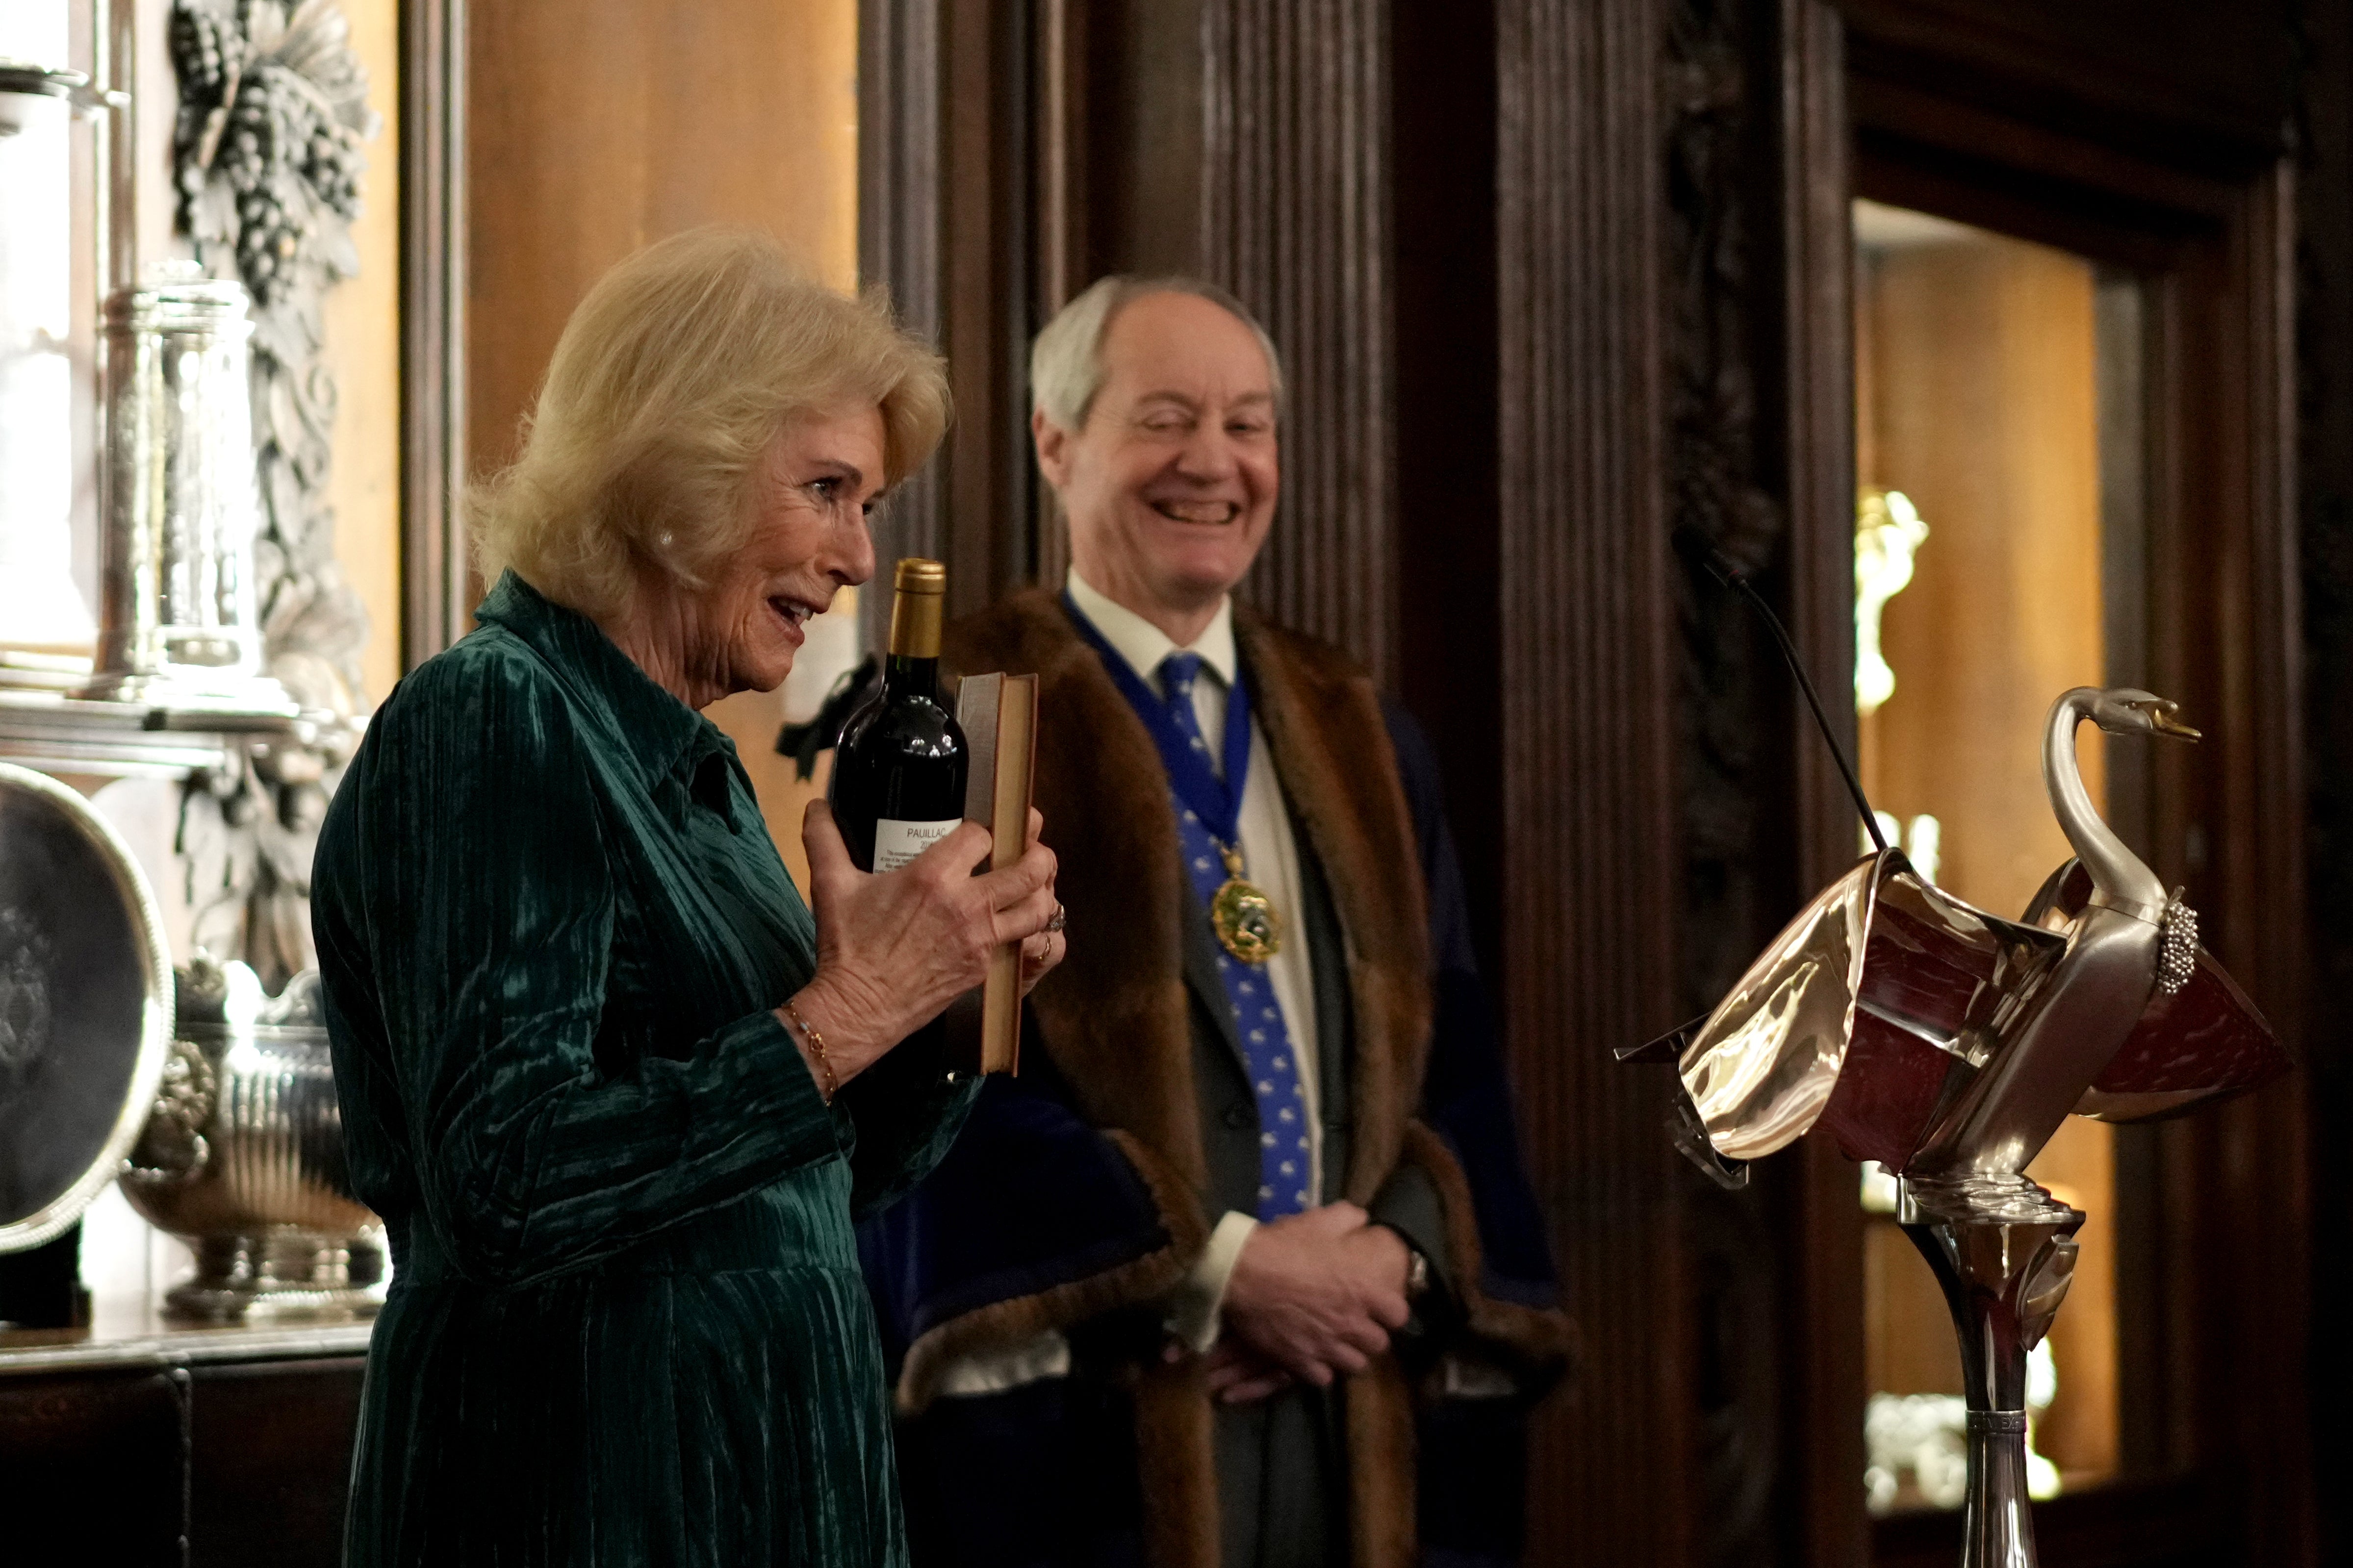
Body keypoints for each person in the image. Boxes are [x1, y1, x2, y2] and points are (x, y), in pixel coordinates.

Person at [311, 228, 1067, 1568]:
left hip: (766, 1488)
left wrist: (945, 1002)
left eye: (869, 505)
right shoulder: (496, 718)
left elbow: (812, 1176)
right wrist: (845, 1014)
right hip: (579, 1493)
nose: (855, 557)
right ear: (677, 479)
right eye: (827, 489)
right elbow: (505, 1180)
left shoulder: (697, 772)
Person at [858, 277, 1572, 1568]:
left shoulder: (1364, 729)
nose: (1216, 463)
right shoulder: (960, 723)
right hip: (1095, 1440)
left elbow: (1457, 1063)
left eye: (1250, 425)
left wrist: (1396, 1264)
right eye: (1168, 419)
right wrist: (1220, 1269)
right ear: (1054, 442)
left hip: (1355, 1411)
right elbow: (925, 1084)